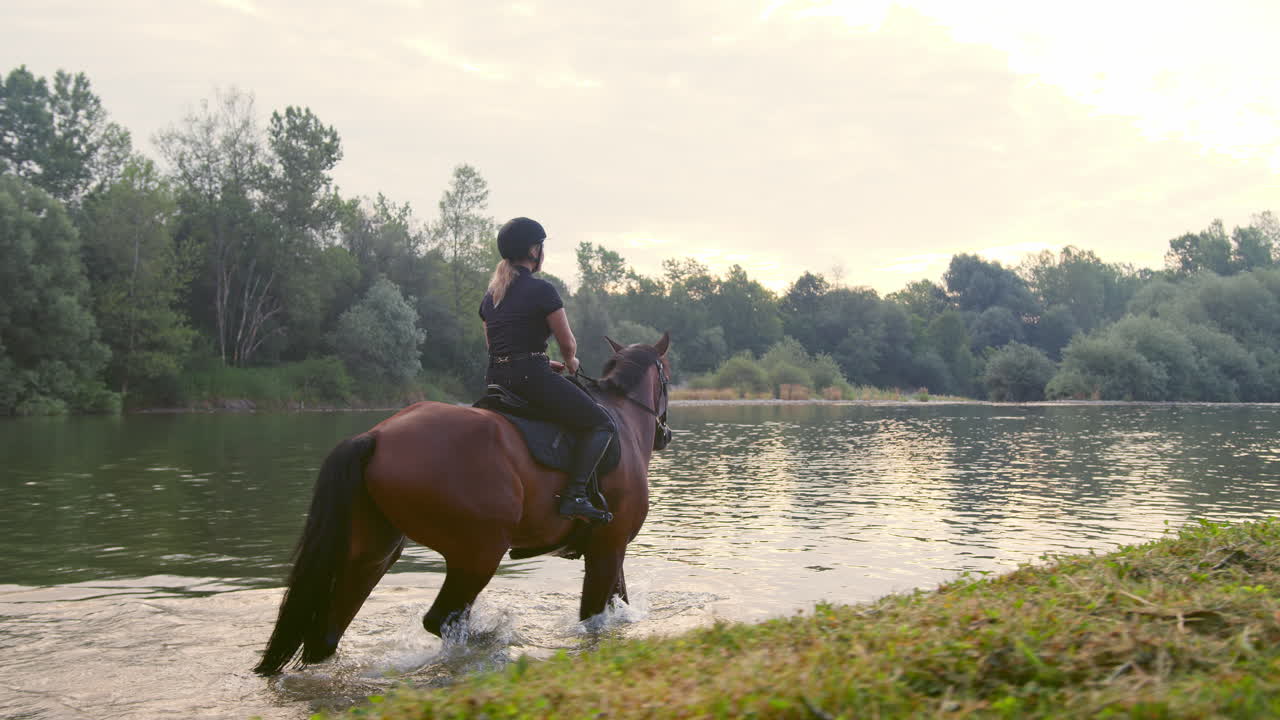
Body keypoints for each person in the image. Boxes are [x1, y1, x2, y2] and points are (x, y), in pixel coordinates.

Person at [479, 217, 614, 524]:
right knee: (601, 424)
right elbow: (568, 343)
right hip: (530, 380)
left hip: (497, 381)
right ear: (533, 250)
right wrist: (569, 362)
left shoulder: (490, 297)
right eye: (541, 247)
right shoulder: (542, 290)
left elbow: (495, 347)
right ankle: (575, 495)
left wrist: (541, 361)